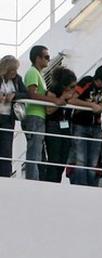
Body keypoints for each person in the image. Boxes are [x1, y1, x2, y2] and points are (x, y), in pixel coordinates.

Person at [68, 65, 102, 187]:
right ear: (98, 80)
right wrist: (92, 106)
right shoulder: (87, 82)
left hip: (96, 126)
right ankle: (81, 186)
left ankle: (91, 187)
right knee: (80, 159)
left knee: (93, 160)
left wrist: (96, 107)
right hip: (80, 124)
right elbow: (72, 100)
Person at [39, 68, 78, 184]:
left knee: (63, 159)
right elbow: (49, 110)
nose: (73, 89)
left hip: (66, 126)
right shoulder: (53, 92)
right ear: (63, 85)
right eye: (71, 86)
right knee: (54, 158)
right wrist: (62, 99)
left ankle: (57, 182)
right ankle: (51, 183)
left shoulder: (72, 94)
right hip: (54, 125)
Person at [20, 45, 51, 181]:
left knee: (37, 152)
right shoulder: (33, 72)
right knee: (34, 151)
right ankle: (32, 180)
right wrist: (53, 99)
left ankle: (34, 179)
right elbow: (32, 94)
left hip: (38, 116)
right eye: (46, 57)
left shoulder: (39, 74)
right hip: (34, 116)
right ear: (38, 58)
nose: (48, 60)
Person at [0, 55, 25, 179]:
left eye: (15, 70)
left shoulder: (17, 79)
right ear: (5, 69)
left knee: (6, 149)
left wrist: (14, 95)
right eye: (12, 70)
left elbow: (26, 94)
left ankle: (5, 177)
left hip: (7, 119)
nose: (14, 72)